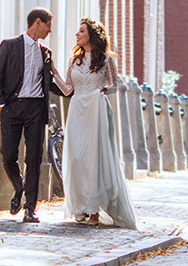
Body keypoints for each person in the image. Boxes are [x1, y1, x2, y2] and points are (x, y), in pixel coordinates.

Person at [52, 19, 137, 229]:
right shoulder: (75, 60)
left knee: (93, 157)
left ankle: (94, 209)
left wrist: (102, 91)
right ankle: (79, 205)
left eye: (81, 31)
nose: (77, 34)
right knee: (76, 156)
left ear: (92, 35)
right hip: (77, 108)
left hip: (96, 110)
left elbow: (114, 85)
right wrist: (53, 71)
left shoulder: (106, 60)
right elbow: (67, 90)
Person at [0, 8, 58, 223]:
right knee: (8, 154)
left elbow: (51, 83)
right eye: (48, 25)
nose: (50, 30)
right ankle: (19, 187)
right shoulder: (9, 45)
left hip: (36, 110)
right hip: (12, 107)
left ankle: (30, 208)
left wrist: (80, 90)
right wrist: (2, 105)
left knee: (34, 158)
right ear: (38, 22)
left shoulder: (45, 52)